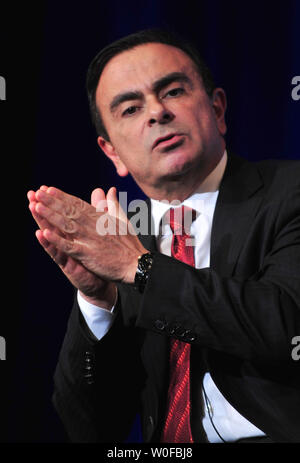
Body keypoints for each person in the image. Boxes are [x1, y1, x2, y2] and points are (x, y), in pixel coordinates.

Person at [27, 29, 300, 443]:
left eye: (172, 91)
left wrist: (139, 269)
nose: (156, 112)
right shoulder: (123, 240)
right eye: (131, 108)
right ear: (112, 153)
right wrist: (97, 303)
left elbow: (285, 326)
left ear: (218, 109)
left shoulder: (290, 193)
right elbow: (89, 429)